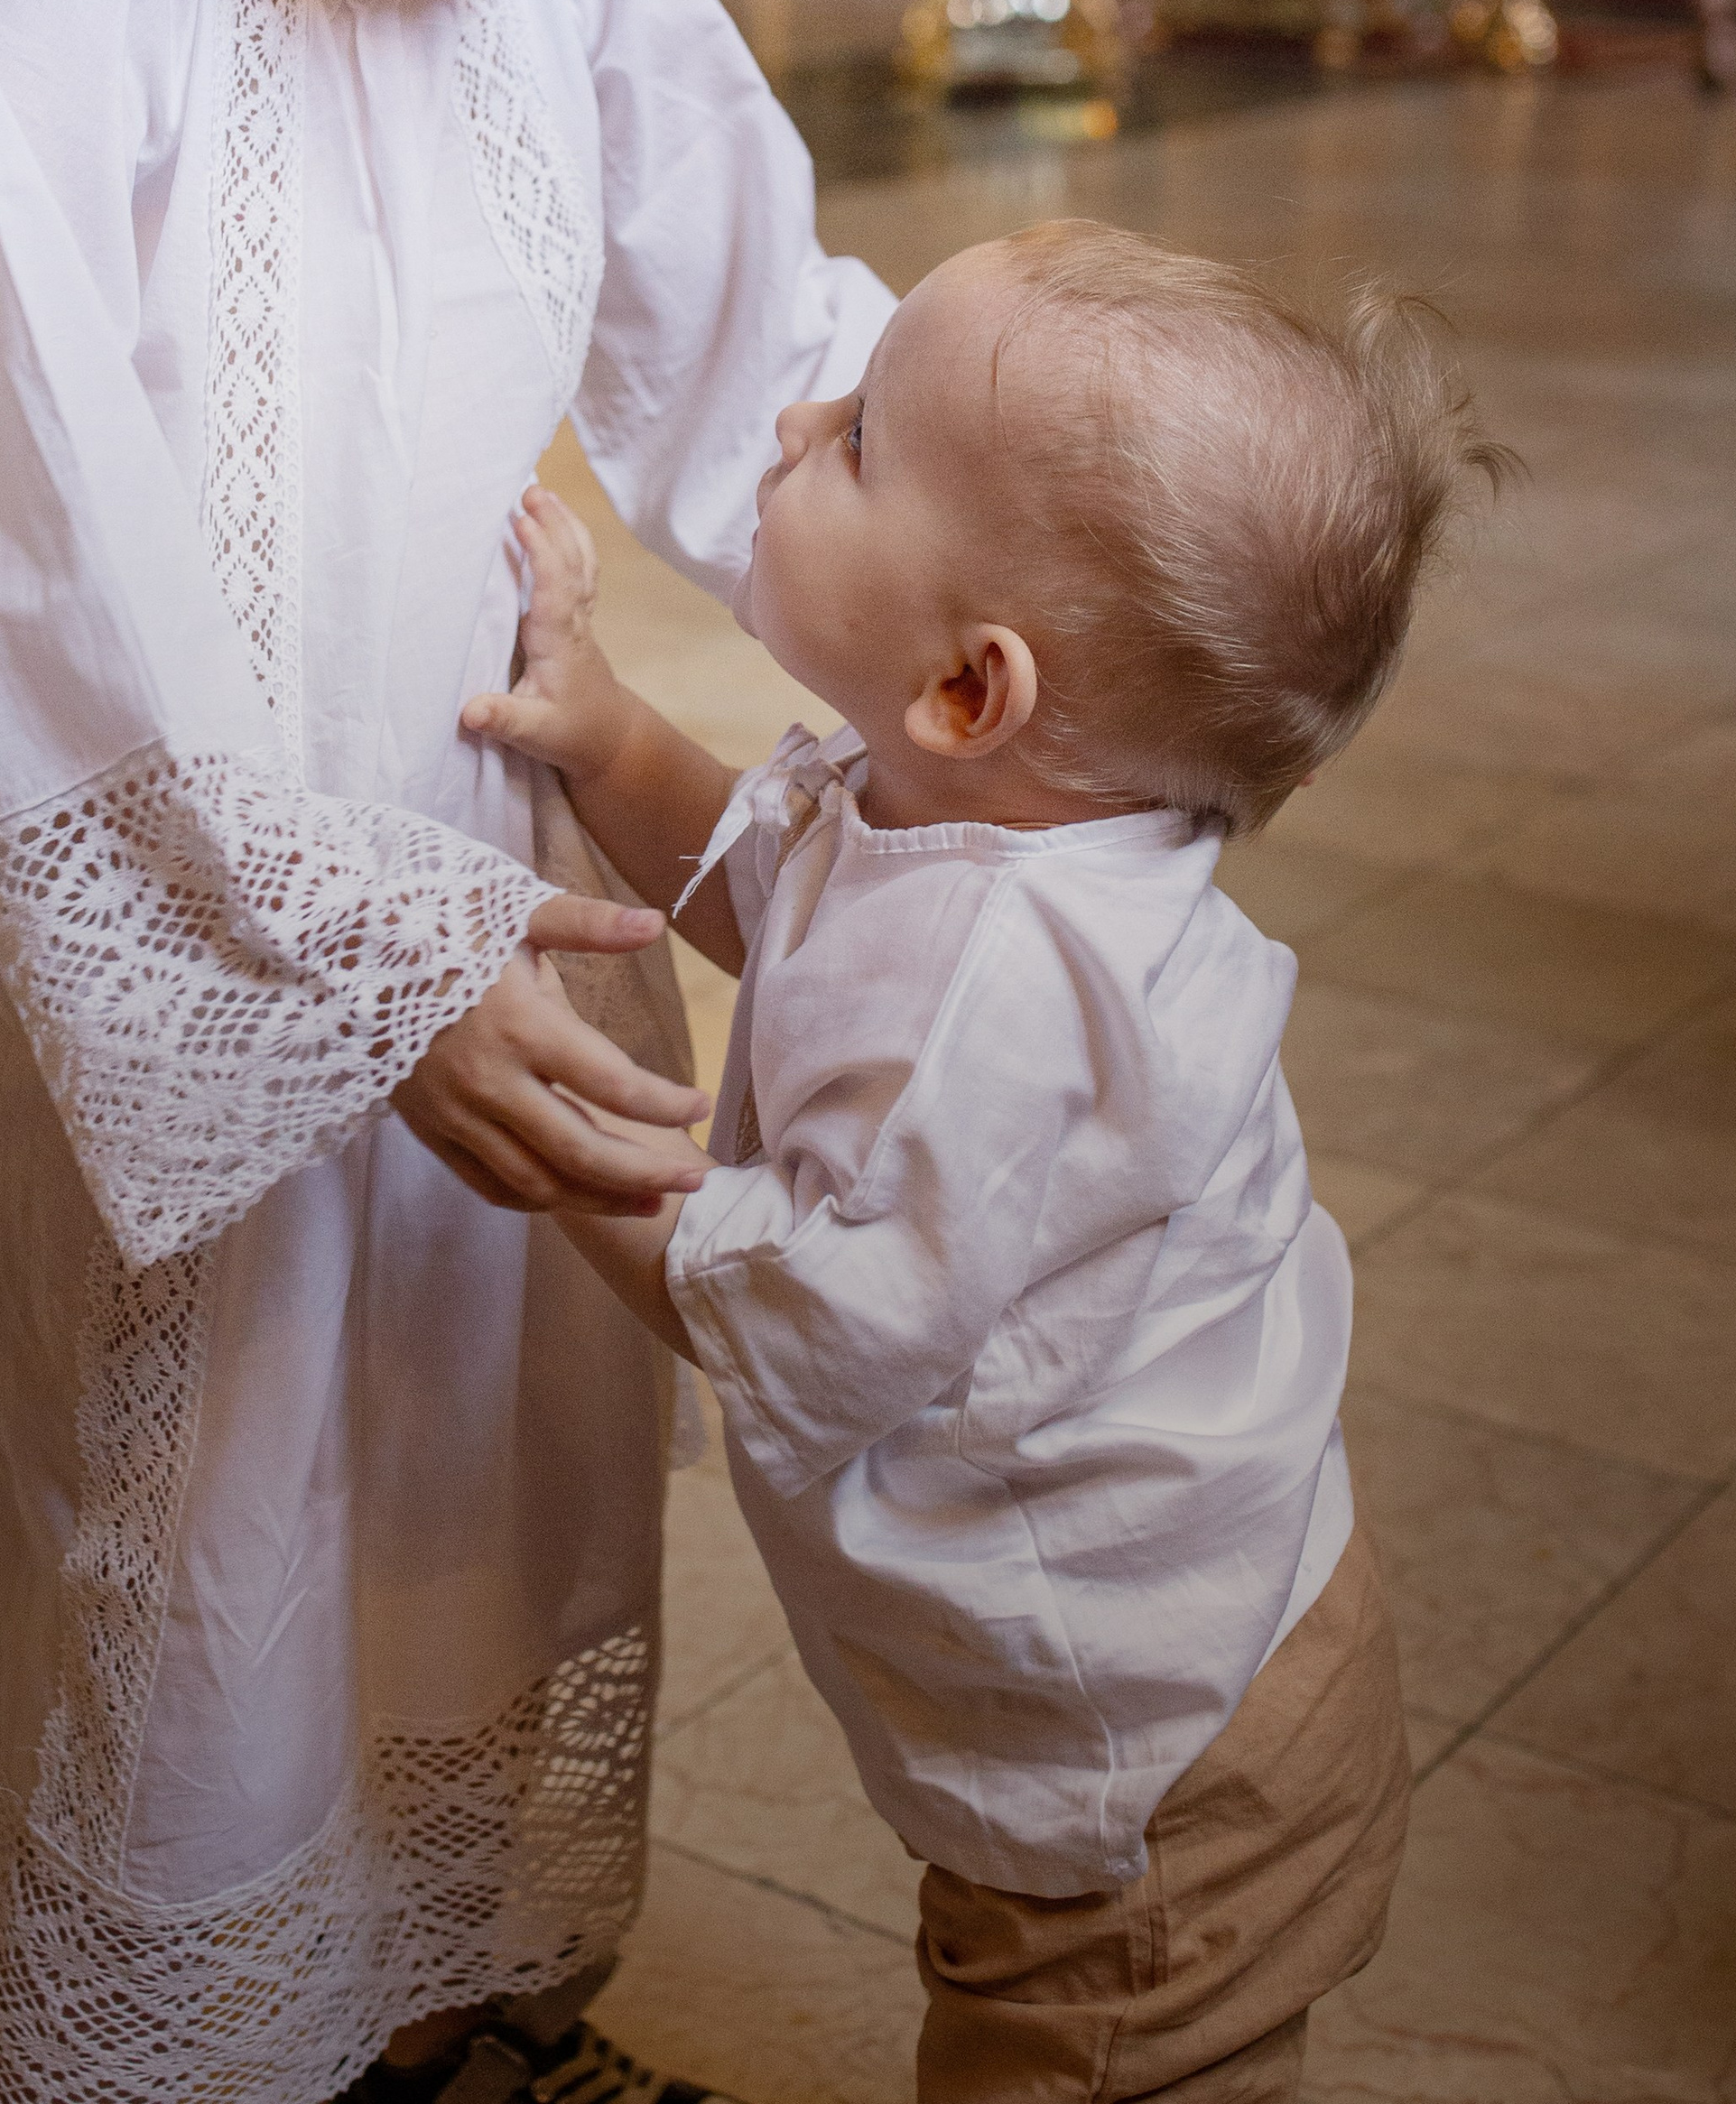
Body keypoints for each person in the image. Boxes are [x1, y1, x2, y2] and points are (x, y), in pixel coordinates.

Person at [0, 0, 891, 2104]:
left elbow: (769, 349)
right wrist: (342, 972)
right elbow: (23, 554)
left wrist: (1010, 583)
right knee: (210, 1519)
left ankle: (455, 2005)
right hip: (222, 917)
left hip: (508, 863)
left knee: (506, 1473)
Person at [466, 220, 1513, 2103]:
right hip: (1193, 1657)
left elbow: (819, 1305)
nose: (791, 412)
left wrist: (549, 1138)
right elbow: (783, 903)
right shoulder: (957, 810)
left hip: (1155, 1774)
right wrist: (604, 732)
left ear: (970, 688)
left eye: (856, 433)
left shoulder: (1024, 985)